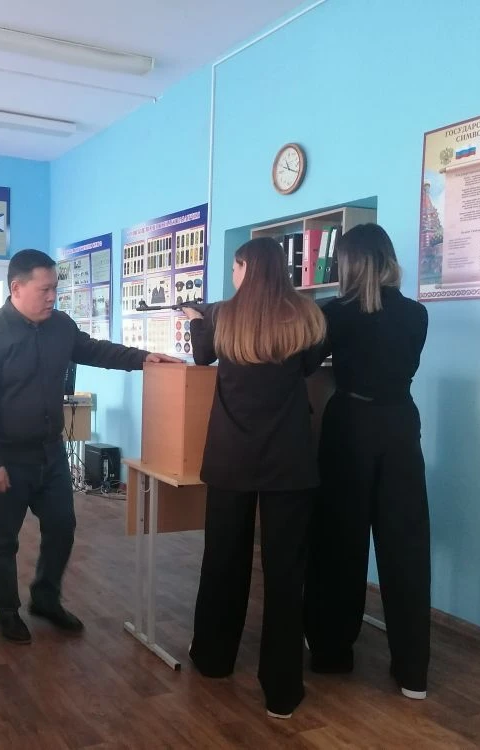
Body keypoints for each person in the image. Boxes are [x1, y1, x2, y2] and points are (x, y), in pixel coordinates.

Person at [0, 249, 180, 644]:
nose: (52, 298)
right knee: (3, 537)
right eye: (44, 290)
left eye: (55, 290)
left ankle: (46, 598)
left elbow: (95, 349)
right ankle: (6, 610)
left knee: (62, 526)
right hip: (6, 456)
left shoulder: (60, 326)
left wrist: (144, 358)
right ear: (16, 288)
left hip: (50, 452)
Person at [182, 237, 325, 719]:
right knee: (285, 573)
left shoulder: (222, 317)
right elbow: (308, 367)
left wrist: (195, 319)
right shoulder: (307, 317)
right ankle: (282, 688)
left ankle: (213, 658)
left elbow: (202, 357)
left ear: (245, 268)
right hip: (289, 458)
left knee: (224, 558)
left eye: (235, 267)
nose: (232, 275)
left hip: (231, 456)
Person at [303, 223, 431, 700]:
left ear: (349, 263)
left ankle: (332, 653)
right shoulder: (417, 314)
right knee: (406, 547)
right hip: (401, 428)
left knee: (340, 542)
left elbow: (306, 363)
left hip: (351, 427)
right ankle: (413, 672)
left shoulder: (334, 313)